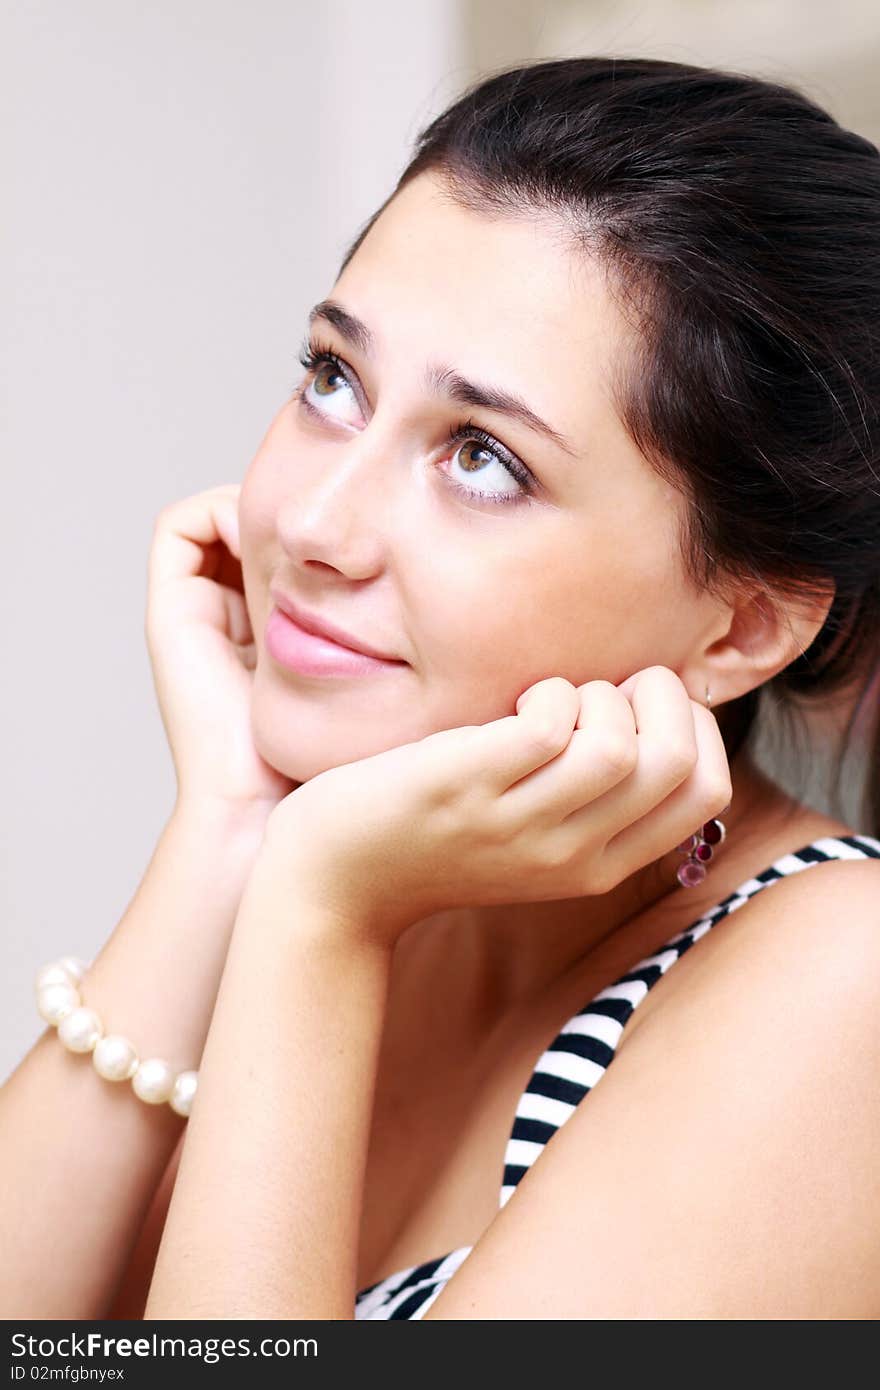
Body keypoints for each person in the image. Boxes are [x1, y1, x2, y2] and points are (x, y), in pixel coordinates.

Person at [4, 55, 880, 1321]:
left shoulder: (840, 983)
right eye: (330, 380)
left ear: (740, 626)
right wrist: (228, 835)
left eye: (481, 458)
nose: (310, 522)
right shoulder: (395, 875)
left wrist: (318, 917)